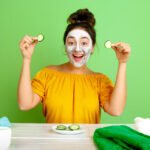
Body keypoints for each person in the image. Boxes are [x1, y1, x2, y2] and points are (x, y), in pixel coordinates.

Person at [18, 8, 131, 123]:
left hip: (88, 141)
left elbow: (116, 110)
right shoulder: (47, 74)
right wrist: (26, 59)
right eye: (71, 42)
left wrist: (122, 62)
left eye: (84, 43)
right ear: (65, 46)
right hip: (54, 140)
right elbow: (25, 104)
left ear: (92, 48)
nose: (77, 49)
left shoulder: (100, 81)